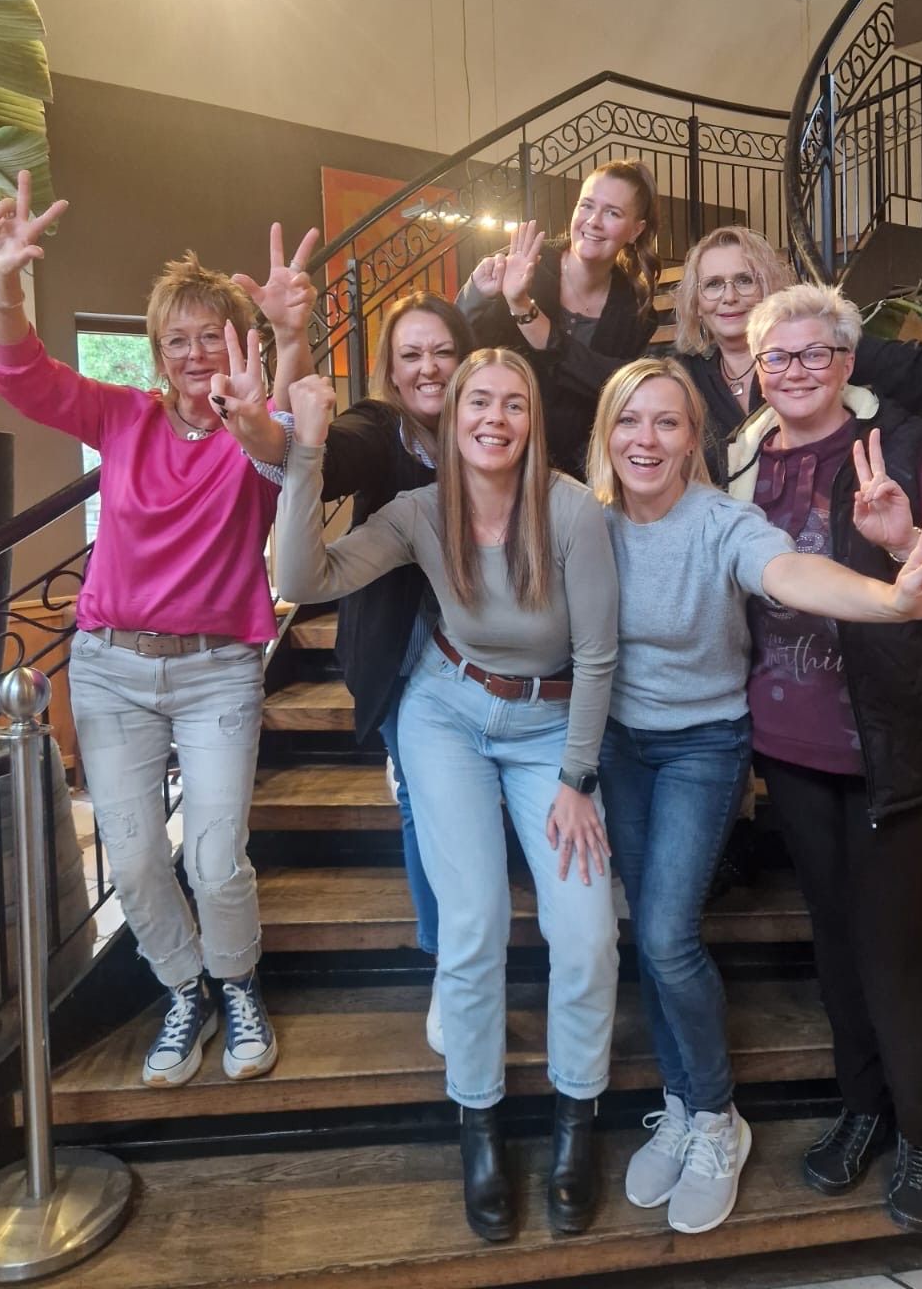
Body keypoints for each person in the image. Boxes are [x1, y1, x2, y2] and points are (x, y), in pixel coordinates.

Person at [586, 357, 922, 1236]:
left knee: (668, 934)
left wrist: (891, 598)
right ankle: (684, 1103)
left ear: (695, 440)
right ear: (605, 433)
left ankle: (720, 1118)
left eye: (667, 421)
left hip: (705, 744)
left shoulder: (725, 521)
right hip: (620, 748)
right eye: (629, 420)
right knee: (650, 934)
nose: (645, 439)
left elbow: (789, 572)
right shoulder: (587, 524)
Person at [251, 347, 620, 1244]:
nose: (495, 418)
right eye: (478, 402)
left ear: (533, 422)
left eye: (514, 404)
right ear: (452, 420)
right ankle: (479, 1120)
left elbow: (599, 656)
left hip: (550, 729)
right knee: (473, 922)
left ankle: (577, 1118)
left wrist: (577, 778)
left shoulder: (572, 509)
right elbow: (302, 581)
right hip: (446, 715)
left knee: (586, 931)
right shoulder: (420, 510)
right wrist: (305, 457)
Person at [0, 171, 317, 1088]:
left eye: (214, 335)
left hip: (218, 672)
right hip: (111, 670)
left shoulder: (256, 430)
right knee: (131, 860)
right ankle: (183, 990)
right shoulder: (124, 418)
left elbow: (284, 442)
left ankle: (237, 984)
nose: (197, 353)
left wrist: (289, 338)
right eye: (179, 340)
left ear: (238, 342)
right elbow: (21, 374)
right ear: (158, 356)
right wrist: (3, 284)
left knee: (214, 858)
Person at [726, 283, 922, 1233]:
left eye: (816, 353)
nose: (797, 371)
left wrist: (905, 558)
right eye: (778, 356)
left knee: (893, 948)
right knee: (836, 939)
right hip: (790, 746)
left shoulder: (912, 446)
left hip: (899, 742)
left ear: (848, 363)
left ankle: (920, 1131)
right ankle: (863, 1109)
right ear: (755, 370)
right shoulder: (736, 461)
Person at [226, 290, 475, 1054]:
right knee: (423, 806)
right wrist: (270, 400)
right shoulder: (378, 427)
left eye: (443, 351)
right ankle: (447, 962)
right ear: (390, 371)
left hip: (487, 648)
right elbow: (317, 454)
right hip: (402, 648)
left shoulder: (494, 421)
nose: (428, 367)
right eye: (411, 354)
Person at [671, 209, 922, 478]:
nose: (729, 297)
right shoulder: (681, 378)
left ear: (770, 289)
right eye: (713, 285)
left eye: (745, 280)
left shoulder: (828, 353)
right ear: (696, 303)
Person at [458, 160, 661, 474]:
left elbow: (611, 387)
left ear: (636, 230)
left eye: (612, 213)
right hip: (493, 450)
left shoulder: (635, 311)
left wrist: (524, 309)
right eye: (586, 205)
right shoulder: (527, 264)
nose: (593, 221)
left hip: (576, 467)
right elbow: (457, 346)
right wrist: (477, 292)